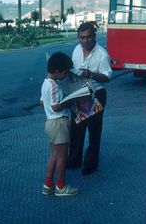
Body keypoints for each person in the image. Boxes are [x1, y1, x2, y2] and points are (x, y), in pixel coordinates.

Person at [67, 22, 112, 175]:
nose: (85, 41)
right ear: (78, 37)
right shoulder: (76, 50)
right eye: (82, 37)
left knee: (94, 130)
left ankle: (91, 163)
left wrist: (91, 74)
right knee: (76, 128)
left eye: (89, 37)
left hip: (96, 93)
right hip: (79, 92)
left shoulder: (102, 54)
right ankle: (74, 159)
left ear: (94, 36)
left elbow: (107, 77)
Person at [40, 52, 79, 197]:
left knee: (54, 156)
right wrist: (70, 99)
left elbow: (42, 102)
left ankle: (48, 184)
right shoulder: (54, 85)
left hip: (50, 122)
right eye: (65, 71)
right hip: (59, 123)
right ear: (57, 71)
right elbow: (56, 106)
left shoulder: (45, 83)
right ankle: (61, 187)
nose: (67, 74)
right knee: (62, 157)